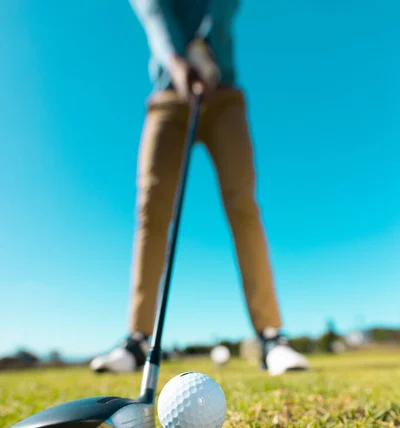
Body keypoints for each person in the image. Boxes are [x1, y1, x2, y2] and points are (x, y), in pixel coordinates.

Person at [90, 0, 309, 376]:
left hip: (223, 93)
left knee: (243, 206)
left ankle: (271, 336)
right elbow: (151, 8)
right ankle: (138, 339)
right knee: (151, 211)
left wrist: (204, 49)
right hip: (167, 96)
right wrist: (178, 59)